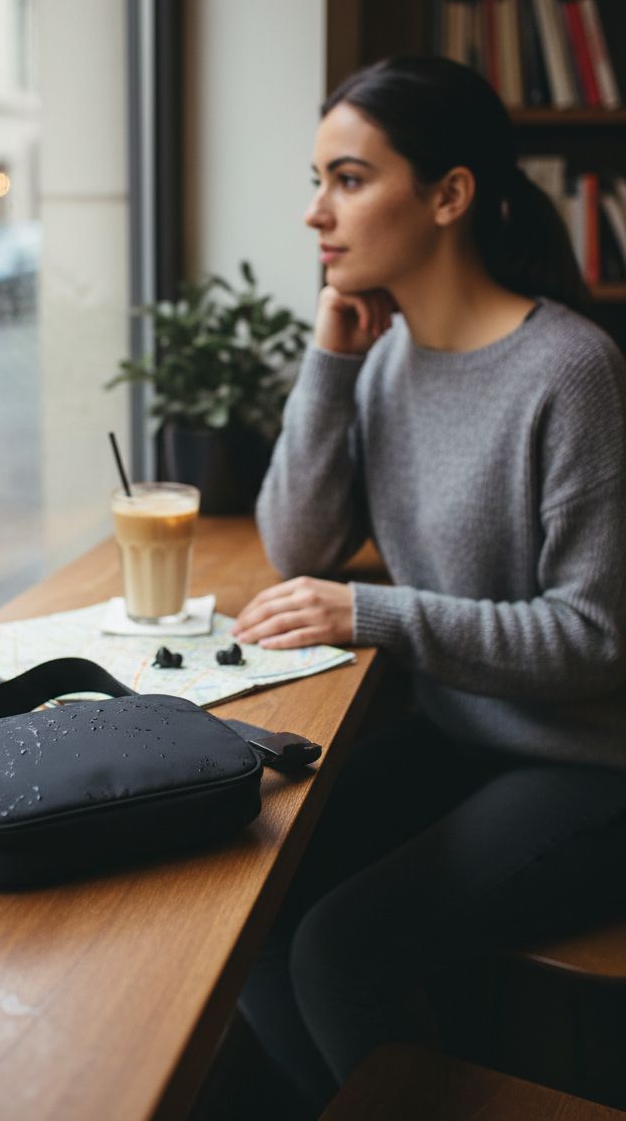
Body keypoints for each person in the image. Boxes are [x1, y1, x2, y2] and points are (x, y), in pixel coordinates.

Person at [231, 55, 626, 1114]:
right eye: (316, 181)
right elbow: (297, 541)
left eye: (348, 179)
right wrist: (329, 363)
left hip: (590, 767)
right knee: (251, 902)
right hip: (462, 735)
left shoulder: (571, 371)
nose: (316, 213)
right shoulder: (388, 359)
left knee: (337, 951)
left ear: (448, 195)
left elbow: (595, 638)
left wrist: (372, 613)